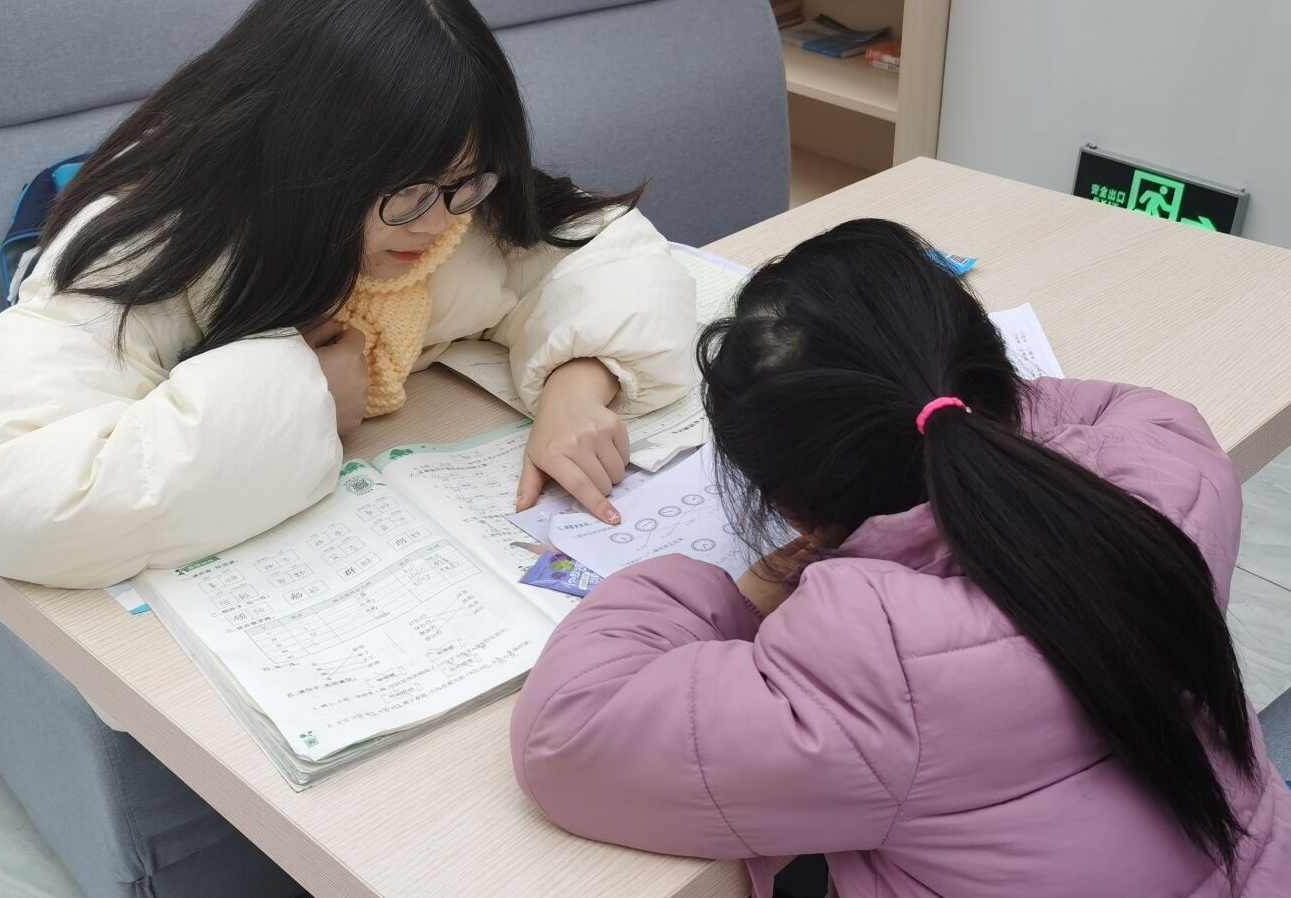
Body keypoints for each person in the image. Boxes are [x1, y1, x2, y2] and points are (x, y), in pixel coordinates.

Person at [510, 219, 1291, 896]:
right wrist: (957, 401)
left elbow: (568, 736)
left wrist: (731, 594)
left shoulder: (874, 659)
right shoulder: (1165, 471)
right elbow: (1084, 407)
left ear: (791, 508)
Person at [0, 0, 696, 589]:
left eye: (466, 182)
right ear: (309, 159)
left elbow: (600, 247)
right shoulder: (147, 246)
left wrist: (578, 384)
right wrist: (308, 394)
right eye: (409, 191)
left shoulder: (449, 204)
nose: (439, 224)